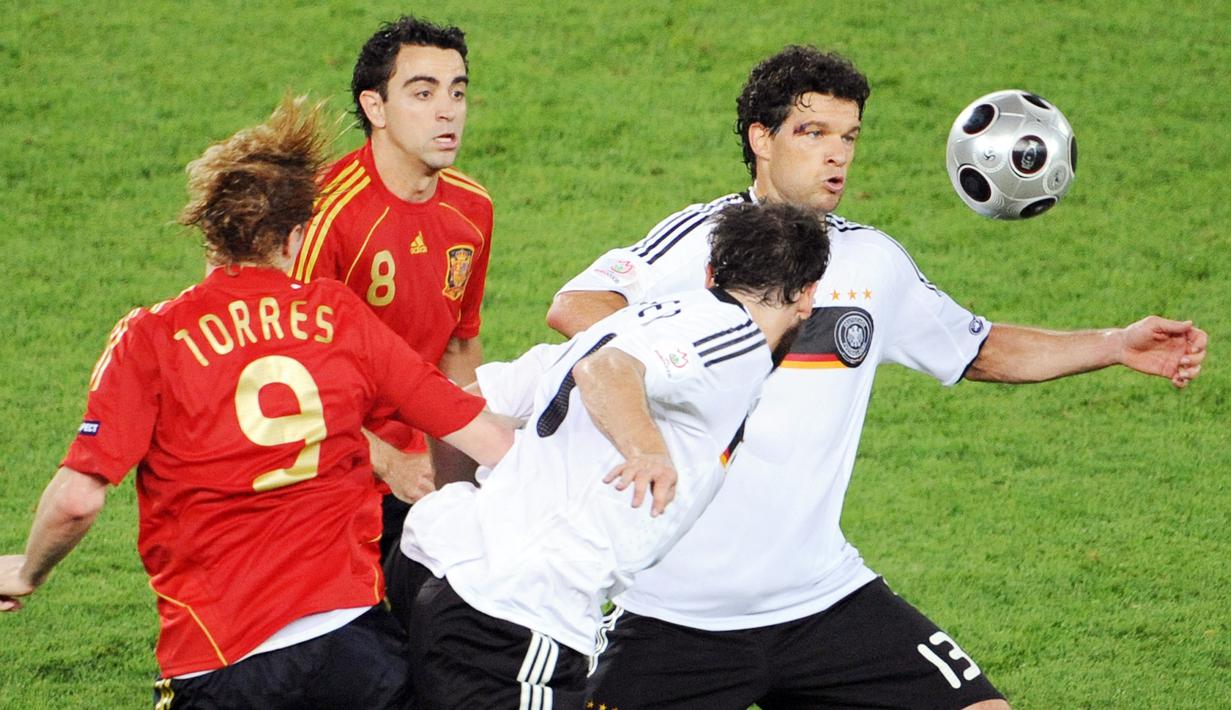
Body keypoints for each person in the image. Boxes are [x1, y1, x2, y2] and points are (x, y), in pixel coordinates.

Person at [546, 46, 1208, 710]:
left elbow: (976, 348)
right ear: (761, 140)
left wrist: (1115, 344)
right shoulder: (702, 241)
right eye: (813, 133)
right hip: (677, 614)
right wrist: (701, 348)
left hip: (822, 602)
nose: (837, 154)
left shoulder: (871, 262)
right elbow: (576, 305)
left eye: (848, 136)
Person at [0, 97, 513, 709]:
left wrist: (27, 571)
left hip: (220, 657)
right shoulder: (340, 314)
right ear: (298, 235)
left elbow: (79, 500)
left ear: (206, 230)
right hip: (356, 649)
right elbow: (484, 435)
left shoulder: (152, 337)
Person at [385, 202, 831, 709]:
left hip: (440, 570)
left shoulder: (636, 320)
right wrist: (647, 451)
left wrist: (465, 498)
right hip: (519, 613)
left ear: (711, 272)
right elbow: (606, 370)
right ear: (807, 295)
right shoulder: (736, 338)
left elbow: (461, 407)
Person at [290, 16, 493, 559]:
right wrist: (387, 460)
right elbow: (290, 375)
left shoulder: (472, 210)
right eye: (422, 93)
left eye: (457, 91)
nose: (447, 110)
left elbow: (457, 345)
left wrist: (466, 466)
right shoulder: (325, 215)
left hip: (421, 470)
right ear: (374, 108)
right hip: (328, 466)